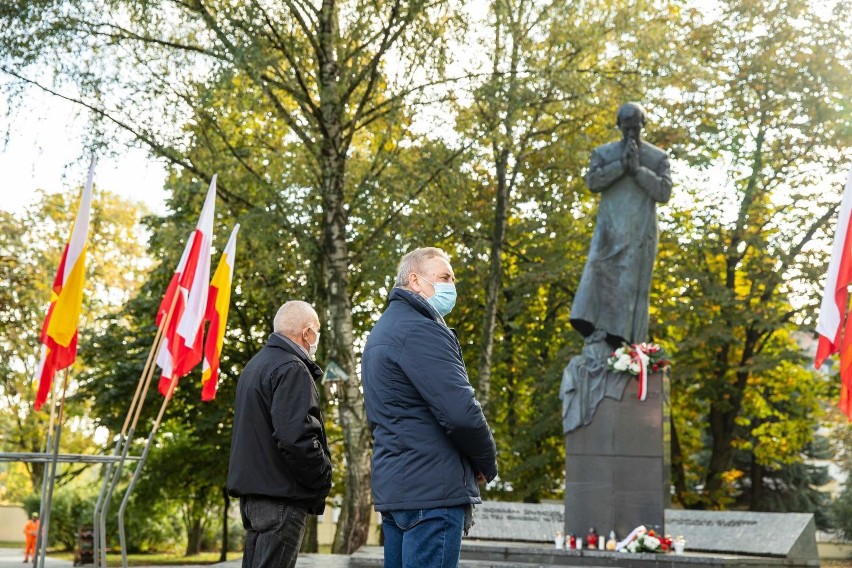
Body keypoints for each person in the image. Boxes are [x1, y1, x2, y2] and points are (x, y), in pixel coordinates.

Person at [362, 247, 498, 568]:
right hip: (433, 492)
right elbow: (460, 413)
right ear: (416, 281)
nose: (453, 284)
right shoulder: (422, 329)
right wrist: (485, 462)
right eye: (445, 277)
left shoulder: (380, 332)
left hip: (398, 491)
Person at [227, 301, 332, 568]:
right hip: (282, 498)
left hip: (255, 498)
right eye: (317, 330)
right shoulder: (292, 368)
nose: (317, 337)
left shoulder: (255, 366)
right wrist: (322, 476)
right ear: (307, 332)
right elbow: (296, 437)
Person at [569, 102, 672, 348]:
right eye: (626, 129)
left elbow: (664, 192)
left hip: (640, 233)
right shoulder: (604, 154)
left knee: (629, 284)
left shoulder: (657, 157)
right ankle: (588, 324)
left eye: (635, 129)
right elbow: (593, 182)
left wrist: (637, 171)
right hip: (608, 230)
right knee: (595, 271)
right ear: (618, 127)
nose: (630, 135)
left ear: (643, 126)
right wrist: (621, 166)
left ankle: (621, 340)